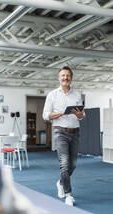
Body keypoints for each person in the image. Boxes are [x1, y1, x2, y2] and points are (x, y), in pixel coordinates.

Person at [43, 66, 85, 206]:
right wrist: (62, 113)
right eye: (63, 75)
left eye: (67, 75)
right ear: (58, 78)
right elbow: (46, 115)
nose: (65, 78)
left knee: (73, 165)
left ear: (71, 77)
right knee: (65, 164)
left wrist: (80, 115)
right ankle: (69, 194)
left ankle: (61, 182)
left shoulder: (77, 94)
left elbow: (82, 115)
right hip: (60, 132)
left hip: (75, 133)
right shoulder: (52, 95)